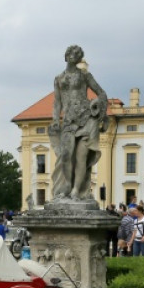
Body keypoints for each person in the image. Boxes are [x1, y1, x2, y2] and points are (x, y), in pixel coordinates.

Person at [48, 45, 108, 201]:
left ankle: (76, 190)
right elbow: (57, 102)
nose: (73, 56)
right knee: (66, 156)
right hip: (69, 121)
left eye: (77, 54)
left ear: (79, 58)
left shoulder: (84, 75)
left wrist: (97, 105)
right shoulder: (58, 79)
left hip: (86, 118)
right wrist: (56, 119)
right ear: (66, 56)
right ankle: (67, 185)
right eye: (71, 53)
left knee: (81, 157)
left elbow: (101, 93)